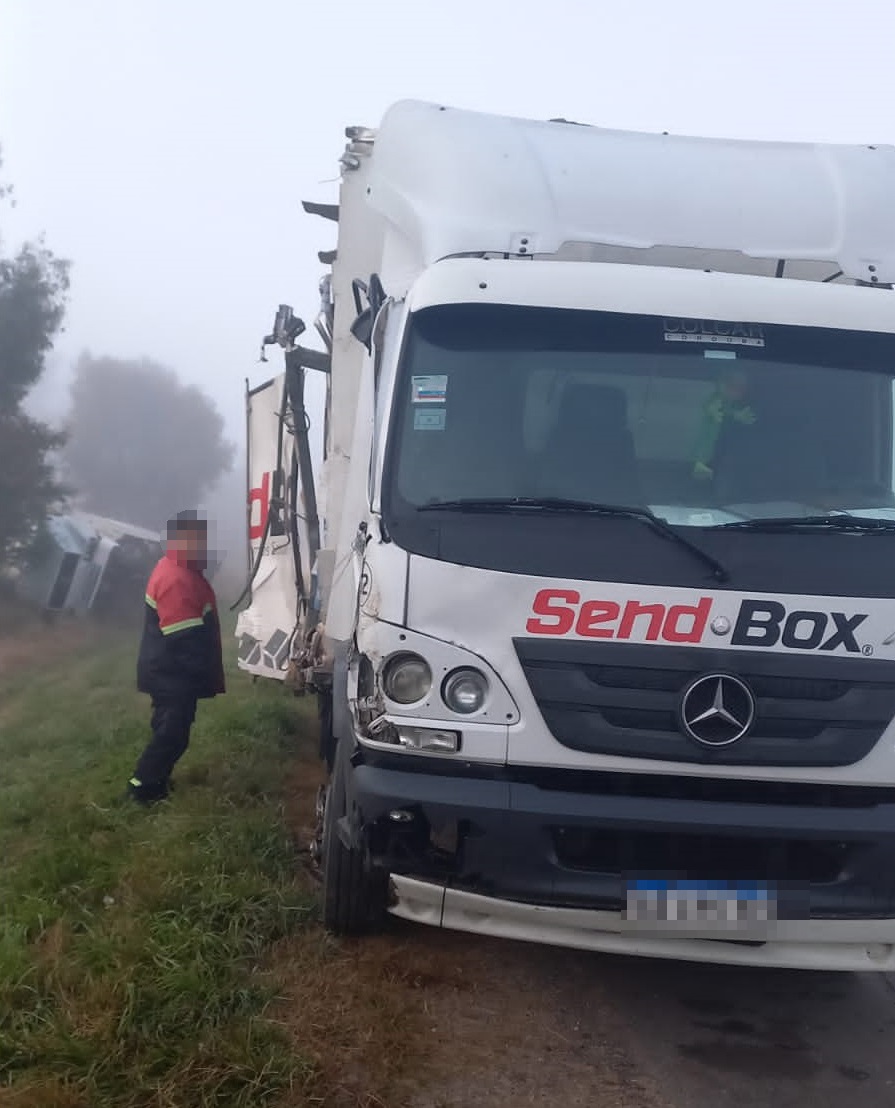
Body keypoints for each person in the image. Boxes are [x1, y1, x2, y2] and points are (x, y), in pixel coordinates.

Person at [128, 510, 225, 804]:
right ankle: (142, 787)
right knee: (171, 734)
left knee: (172, 732)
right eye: (196, 540)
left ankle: (156, 782)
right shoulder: (176, 578)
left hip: (170, 672)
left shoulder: (179, 568)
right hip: (172, 674)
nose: (203, 545)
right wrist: (201, 671)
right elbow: (183, 637)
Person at [691, 367, 757, 481]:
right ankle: (699, 470)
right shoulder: (717, 399)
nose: (740, 391)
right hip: (707, 444)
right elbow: (711, 406)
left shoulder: (732, 404)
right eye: (735, 386)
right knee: (704, 452)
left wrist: (739, 416)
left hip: (719, 452)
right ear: (722, 385)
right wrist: (714, 410)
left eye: (743, 388)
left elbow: (728, 412)